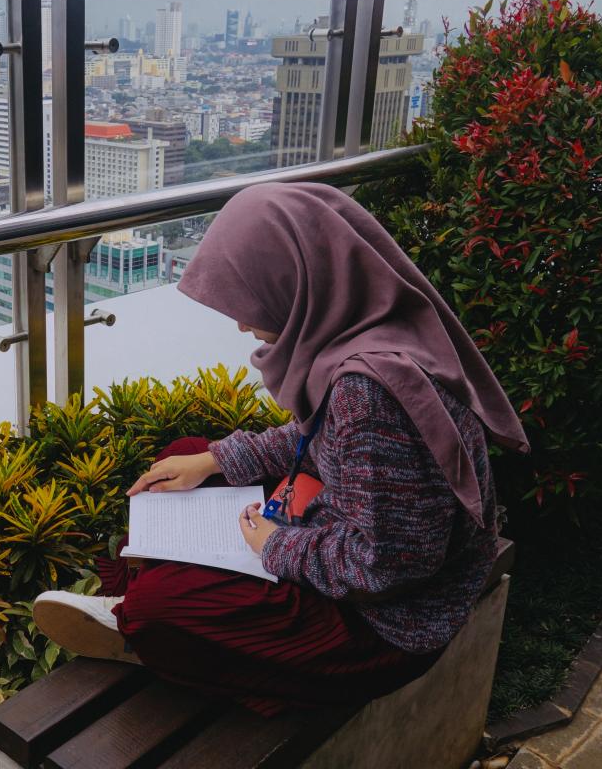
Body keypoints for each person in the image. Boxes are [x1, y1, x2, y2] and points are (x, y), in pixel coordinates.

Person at [32, 182, 529, 716]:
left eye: (250, 301)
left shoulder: (371, 394)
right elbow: (321, 439)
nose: (244, 323)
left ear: (298, 280)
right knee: (187, 453)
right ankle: (161, 588)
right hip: (345, 526)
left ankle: (150, 615)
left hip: (385, 625)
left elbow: (388, 568)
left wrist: (273, 546)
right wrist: (213, 460)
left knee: (160, 609)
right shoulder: (372, 326)